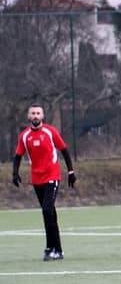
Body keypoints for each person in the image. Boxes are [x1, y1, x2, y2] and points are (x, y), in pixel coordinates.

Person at [12, 104, 77, 261]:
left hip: (52, 176)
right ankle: (58, 250)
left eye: (38, 113)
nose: (35, 116)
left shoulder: (50, 131)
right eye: (33, 113)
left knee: (47, 210)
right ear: (28, 116)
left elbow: (64, 150)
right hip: (37, 179)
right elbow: (18, 156)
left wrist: (70, 171)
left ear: (42, 116)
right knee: (49, 213)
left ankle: (49, 248)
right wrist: (15, 173)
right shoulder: (24, 136)